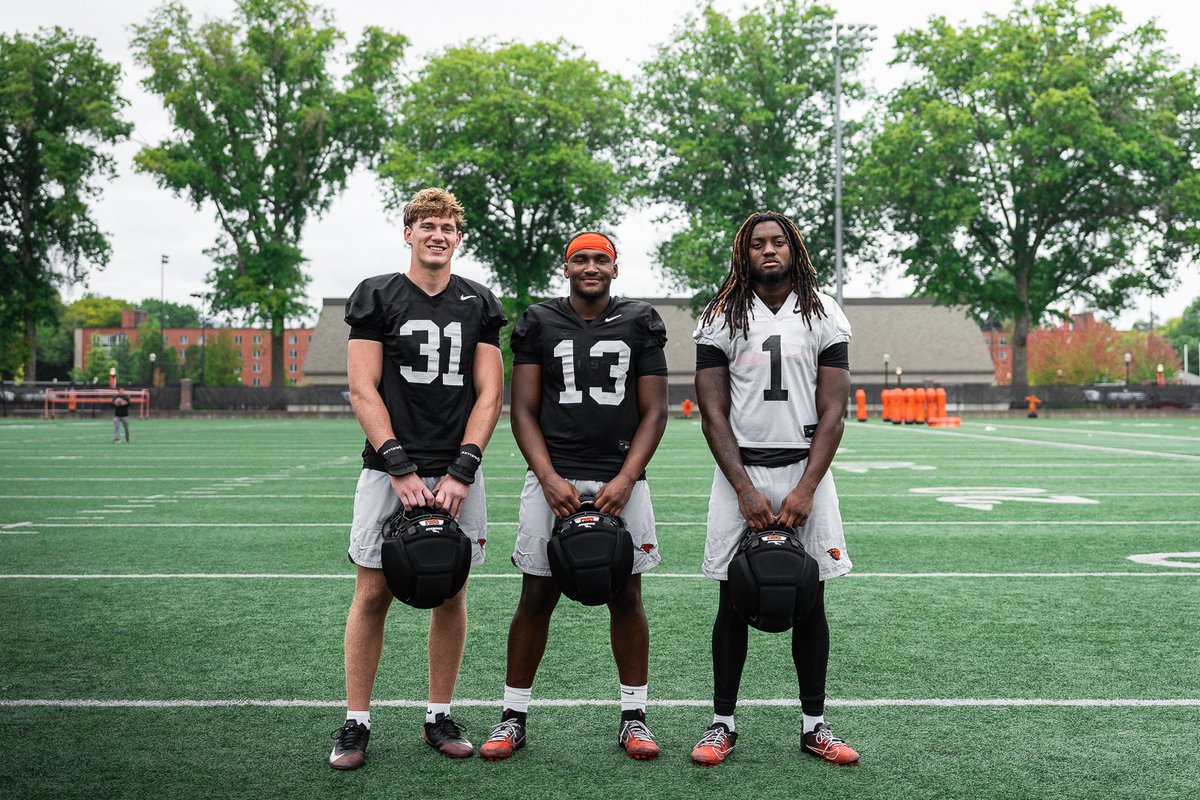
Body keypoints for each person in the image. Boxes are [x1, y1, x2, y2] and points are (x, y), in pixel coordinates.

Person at [329, 187, 507, 770]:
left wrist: (462, 469)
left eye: (448, 226)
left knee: (450, 590)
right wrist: (398, 464)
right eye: (427, 225)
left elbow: (490, 393)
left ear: (459, 238)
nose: (438, 234)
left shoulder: (478, 301)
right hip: (389, 469)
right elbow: (363, 388)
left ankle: (439, 712)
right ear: (407, 233)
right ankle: (356, 720)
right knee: (374, 590)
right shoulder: (377, 296)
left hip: (457, 469)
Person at [479, 232, 668, 762]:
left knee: (626, 596)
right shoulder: (540, 320)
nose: (591, 266)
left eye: (600, 259)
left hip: (621, 477)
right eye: (580, 259)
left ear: (615, 267)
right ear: (566, 268)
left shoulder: (640, 320)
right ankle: (513, 715)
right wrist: (547, 477)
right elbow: (523, 410)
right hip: (554, 477)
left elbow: (655, 410)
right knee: (536, 597)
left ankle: (634, 718)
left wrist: (629, 476)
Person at [689, 211, 860, 767]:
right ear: (744, 252)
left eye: (778, 241)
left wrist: (807, 488)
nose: (769, 250)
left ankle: (814, 725)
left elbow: (834, 412)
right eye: (758, 243)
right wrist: (742, 487)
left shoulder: (823, 311)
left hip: (805, 468)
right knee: (731, 598)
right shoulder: (721, 314)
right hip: (740, 472)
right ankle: (722, 724)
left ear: (794, 248)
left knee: (810, 599)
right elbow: (712, 412)